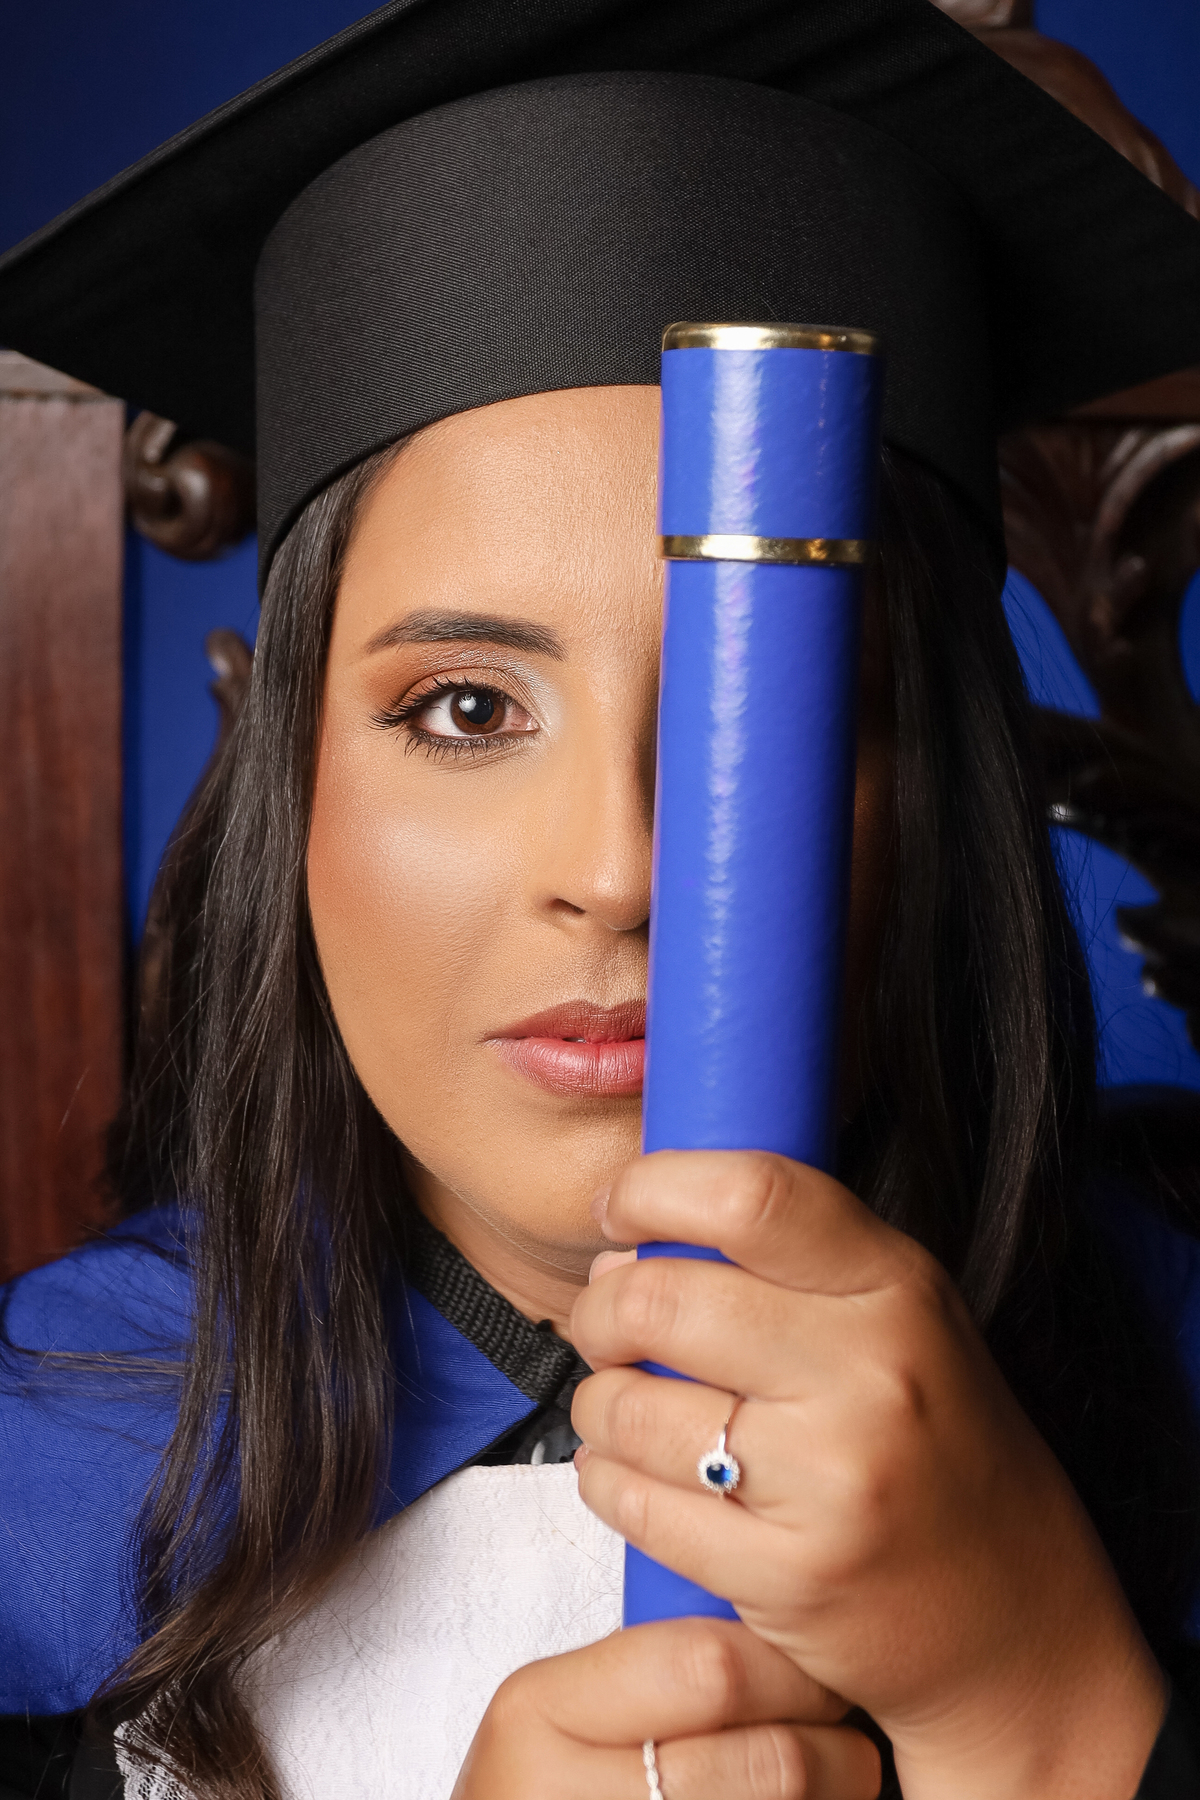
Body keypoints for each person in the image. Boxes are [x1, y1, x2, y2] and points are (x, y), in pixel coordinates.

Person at [1, 4, 1200, 1798]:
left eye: (778, 713)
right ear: (293, 793)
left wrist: (1042, 1711)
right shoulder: (48, 1464)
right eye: (465, 709)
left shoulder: (1171, 1344)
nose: (624, 872)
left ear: (935, 790)